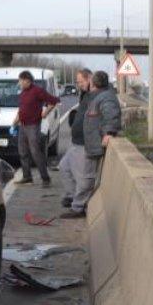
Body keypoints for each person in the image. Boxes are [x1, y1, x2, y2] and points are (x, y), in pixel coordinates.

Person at [59, 68, 96, 218]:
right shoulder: (85, 94)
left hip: (84, 143)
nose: (78, 84)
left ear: (89, 79)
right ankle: (73, 196)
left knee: (83, 178)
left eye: (80, 81)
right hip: (76, 142)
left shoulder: (96, 95)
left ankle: (78, 207)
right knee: (64, 167)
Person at [13, 70, 60, 186]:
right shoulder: (23, 93)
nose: (19, 83)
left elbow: (53, 101)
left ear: (27, 80)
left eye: (20, 81)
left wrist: (45, 113)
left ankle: (45, 178)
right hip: (22, 126)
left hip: (33, 126)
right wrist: (15, 121)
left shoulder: (37, 91)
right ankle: (27, 177)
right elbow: (21, 109)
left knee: (35, 152)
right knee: (22, 152)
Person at [81, 69, 122, 188]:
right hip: (93, 146)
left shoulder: (106, 98)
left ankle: (79, 205)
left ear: (93, 84)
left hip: (97, 146)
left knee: (88, 179)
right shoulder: (99, 96)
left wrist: (109, 133)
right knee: (88, 177)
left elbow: (111, 115)